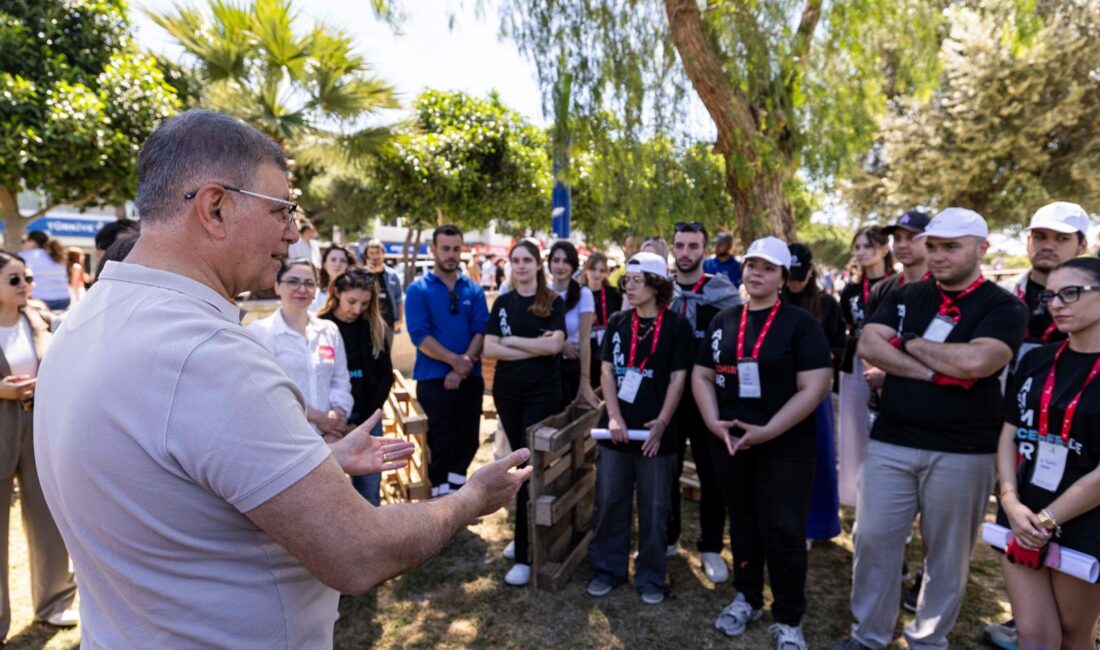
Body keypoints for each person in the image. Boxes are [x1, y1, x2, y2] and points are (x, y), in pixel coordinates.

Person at [34, 109, 530, 648]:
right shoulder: (209, 355)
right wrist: (470, 499)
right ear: (216, 207)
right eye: (282, 210)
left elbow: (169, 475)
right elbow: (357, 552)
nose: (294, 235)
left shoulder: (88, 318)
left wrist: (313, 466)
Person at [833, 208, 1027, 650]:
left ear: (982, 249)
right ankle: (869, 637)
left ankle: (927, 640)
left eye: (951, 247)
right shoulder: (905, 295)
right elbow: (868, 344)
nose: (938, 256)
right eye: (933, 246)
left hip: (965, 449)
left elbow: (979, 363)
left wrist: (909, 343)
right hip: (892, 440)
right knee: (873, 541)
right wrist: (934, 369)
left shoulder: (1004, 306)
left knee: (946, 557)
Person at [694, 237, 832, 650]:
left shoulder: (799, 323)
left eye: (767, 268)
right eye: (751, 265)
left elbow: (816, 386)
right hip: (730, 441)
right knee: (743, 521)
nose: (756, 273)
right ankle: (747, 597)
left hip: (784, 445)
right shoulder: (724, 320)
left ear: (782, 278)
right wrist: (713, 423)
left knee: (784, 528)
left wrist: (768, 430)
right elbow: (701, 374)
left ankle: (789, 618)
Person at [983, 201, 1091, 650]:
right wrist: (1009, 498)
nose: (1057, 305)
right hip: (1022, 489)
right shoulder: (1025, 335)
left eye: (1074, 294)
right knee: (1036, 631)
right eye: (1051, 296)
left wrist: (1046, 518)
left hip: (1084, 507)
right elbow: (1009, 426)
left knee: (1072, 635)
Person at [586, 251, 693, 605]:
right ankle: (608, 569)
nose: (628, 287)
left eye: (636, 280)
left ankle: (650, 575)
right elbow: (606, 372)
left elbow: (679, 379)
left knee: (655, 508)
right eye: (626, 281)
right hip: (616, 434)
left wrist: (662, 422)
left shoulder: (677, 327)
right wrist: (613, 416)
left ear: (656, 284)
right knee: (611, 502)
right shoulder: (618, 322)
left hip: (656, 437)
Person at [0, 251, 79, 638]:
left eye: (28, 278)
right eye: (15, 279)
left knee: (48, 517)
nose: (26, 285)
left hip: (38, 425)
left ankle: (55, 603)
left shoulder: (39, 316)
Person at [484, 240, 566, 586]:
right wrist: (533, 345)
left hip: (542, 393)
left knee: (528, 464)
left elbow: (556, 345)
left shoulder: (551, 302)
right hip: (508, 394)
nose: (520, 266)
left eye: (526, 260)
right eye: (515, 260)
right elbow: (489, 347)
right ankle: (523, 536)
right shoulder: (502, 302)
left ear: (537, 264)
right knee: (518, 463)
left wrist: (512, 342)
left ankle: (525, 553)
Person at [668, 221, 740, 582]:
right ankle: (667, 539)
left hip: (709, 397)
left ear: (704, 250)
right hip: (666, 397)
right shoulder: (658, 289)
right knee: (665, 469)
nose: (685, 253)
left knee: (714, 475)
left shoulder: (723, 292)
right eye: (680, 245)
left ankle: (711, 546)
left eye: (693, 246)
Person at [405, 225, 490, 497]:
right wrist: (455, 361)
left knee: (468, 441)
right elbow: (419, 335)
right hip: (432, 378)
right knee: (439, 441)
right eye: (445, 248)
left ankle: (456, 492)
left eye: (456, 248)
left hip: (470, 378)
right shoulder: (418, 290)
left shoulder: (473, 290)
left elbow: (481, 330)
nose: (451, 254)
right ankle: (440, 499)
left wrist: (464, 366)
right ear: (433, 250)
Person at [783, 242, 846, 546]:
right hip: (776, 393)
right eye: (788, 274)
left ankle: (815, 525)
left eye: (799, 275)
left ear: (811, 272)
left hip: (814, 394)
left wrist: (813, 359)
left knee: (817, 459)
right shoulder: (773, 301)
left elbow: (838, 348)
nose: (793, 282)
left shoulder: (827, 305)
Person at [249, 259, 354, 439]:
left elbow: (340, 381)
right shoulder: (260, 332)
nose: (302, 289)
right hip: (284, 440)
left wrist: (337, 416)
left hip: (328, 437)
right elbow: (265, 392)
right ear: (277, 286)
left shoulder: (329, 330)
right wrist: (317, 417)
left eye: (309, 283)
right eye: (293, 281)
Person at [318, 268, 394, 506]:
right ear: (337, 293)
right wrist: (334, 422)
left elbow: (385, 378)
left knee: (369, 496)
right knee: (330, 498)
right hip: (329, 426)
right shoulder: (320, 327)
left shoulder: (374, 327)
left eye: (364, 303)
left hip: (367, 421)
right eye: (351, 301)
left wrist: (361, 423)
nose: (357, 309)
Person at [837, 225, 894, 507]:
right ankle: (857, 498)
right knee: (854, 431)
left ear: (884, 248)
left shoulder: (899, 285)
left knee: (886, 434)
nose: (860, 252)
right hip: (856, 366)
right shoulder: (850, 291)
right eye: (857, 247)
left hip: (892, 365)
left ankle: (890, 502)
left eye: (867, 246)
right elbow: (848, 326)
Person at [548, 240, 598, 408]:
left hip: (571, 368)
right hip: (544, 366)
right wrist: (560, 345)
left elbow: (585, 341)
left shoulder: (584, 294)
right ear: (549, 264)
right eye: (556, 260)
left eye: (566, 261)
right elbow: (535, 330)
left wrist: (585, 380)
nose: (560, 266)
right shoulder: (543, 292)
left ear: (574, 265)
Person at [581, 251, 623, 389]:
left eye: (601, 270)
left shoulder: (613, 294)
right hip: (586, 345)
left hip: (607, 345)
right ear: (586, 270)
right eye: (593, 269)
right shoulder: (578, 293)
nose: (596, 274)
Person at [20, 232, 70, 311]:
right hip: (64, 299)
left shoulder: (24, 256)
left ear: (32, 242)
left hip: (41, 300)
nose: (23, 244)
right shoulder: (56, 255)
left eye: (24, 241)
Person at [364, 239, 404, 333]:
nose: (375, 256)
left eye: (378, 252)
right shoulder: (362, 274)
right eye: (371, 253)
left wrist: (400, 320)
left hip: (389, 325)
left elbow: (399, 299)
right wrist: (369, 273)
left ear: (383, 254)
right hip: (368, 325)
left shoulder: (393, 275)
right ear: (367, 255)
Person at [311, 245, 355, 313]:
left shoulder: (355, 292)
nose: (338, 264)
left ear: (348, 265)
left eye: (343, 261)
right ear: (325, 265)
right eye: (333, 260)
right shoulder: (315, 295)